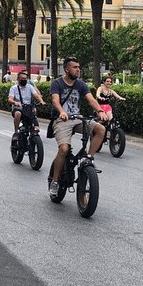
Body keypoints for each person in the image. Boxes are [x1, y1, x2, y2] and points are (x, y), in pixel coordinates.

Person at [48, 57, 109, 196]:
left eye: (78, 67)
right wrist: (62, 111)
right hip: (62, 120)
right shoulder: (57, 83)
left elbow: (91, 99)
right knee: (64, 149)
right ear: (67, 69)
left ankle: (89, 158)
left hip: (77, 119)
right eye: (75, 67)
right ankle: (55, 181)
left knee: (100, 129)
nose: (78, 69)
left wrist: (100, 111)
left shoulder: (81, 84)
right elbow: (55, 101)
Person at [8, 70, 46, 137]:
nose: (24, 80)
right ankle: (16, 132)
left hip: (28, 107)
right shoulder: (14, 88)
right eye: (22, 79)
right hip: (18, 108)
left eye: (25, 79)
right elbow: (10, 99)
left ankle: (35, 127)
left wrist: (41, 101)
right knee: (18, 114)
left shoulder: (30, 87)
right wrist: (15, 102)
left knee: (34, 111)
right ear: (18, 79)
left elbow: (36, 95)